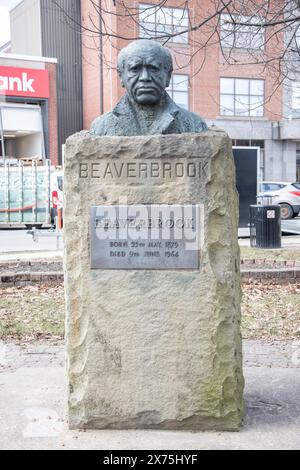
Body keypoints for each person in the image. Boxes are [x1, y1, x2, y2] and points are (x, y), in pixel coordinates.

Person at [90, 39, 207, 136]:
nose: (145, 77)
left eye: (154, 68)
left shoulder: (194, 125)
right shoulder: (101, 127)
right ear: (121, 76)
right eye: (135, 69)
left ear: (168, 76)